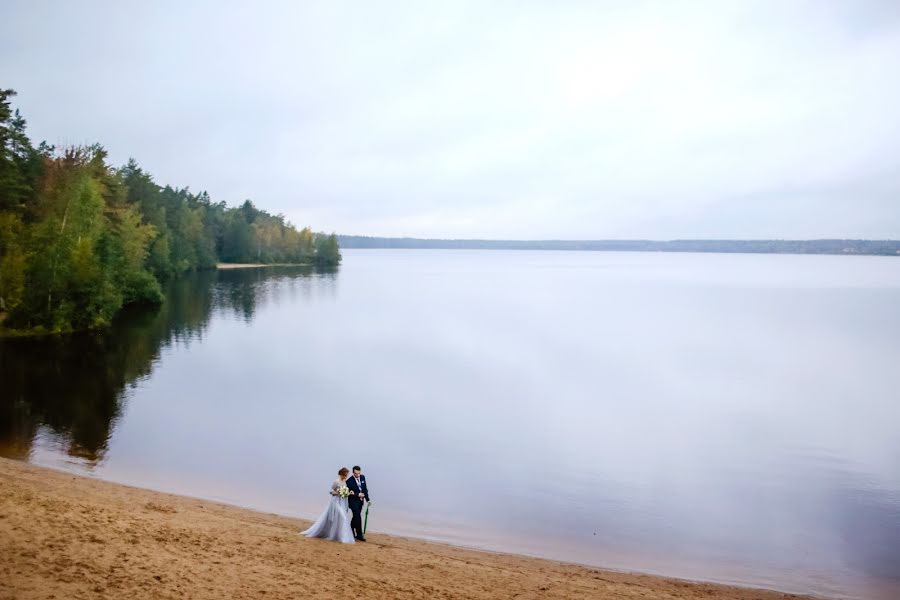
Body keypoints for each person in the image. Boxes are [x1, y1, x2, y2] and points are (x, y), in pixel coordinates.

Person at [301, 467, 355, 543]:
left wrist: (348, 493)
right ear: (342, 474)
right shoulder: (336, 481)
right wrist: (339, 492)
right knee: (342, 517)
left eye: (347, 475)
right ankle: (342, 536)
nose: (346, 477)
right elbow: (331, 492)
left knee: (339, 518)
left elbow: (345, 491)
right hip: (335, 502)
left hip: (341, 502)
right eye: (345, 475)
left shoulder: (344, 481)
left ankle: (339, 535)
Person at [345, 465, 371, 541]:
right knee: (358, 517)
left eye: (359, 473)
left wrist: (368, 499)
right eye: (356, 473)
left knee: (356, 517)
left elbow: (365, 489)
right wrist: (357, 494)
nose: (358, 475)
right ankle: (359, 535)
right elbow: (349, 493)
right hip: (352, 501)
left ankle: (350, 529)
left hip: (360, 501)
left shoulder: (363, 477)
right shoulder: (349, 481)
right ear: (353, 473)